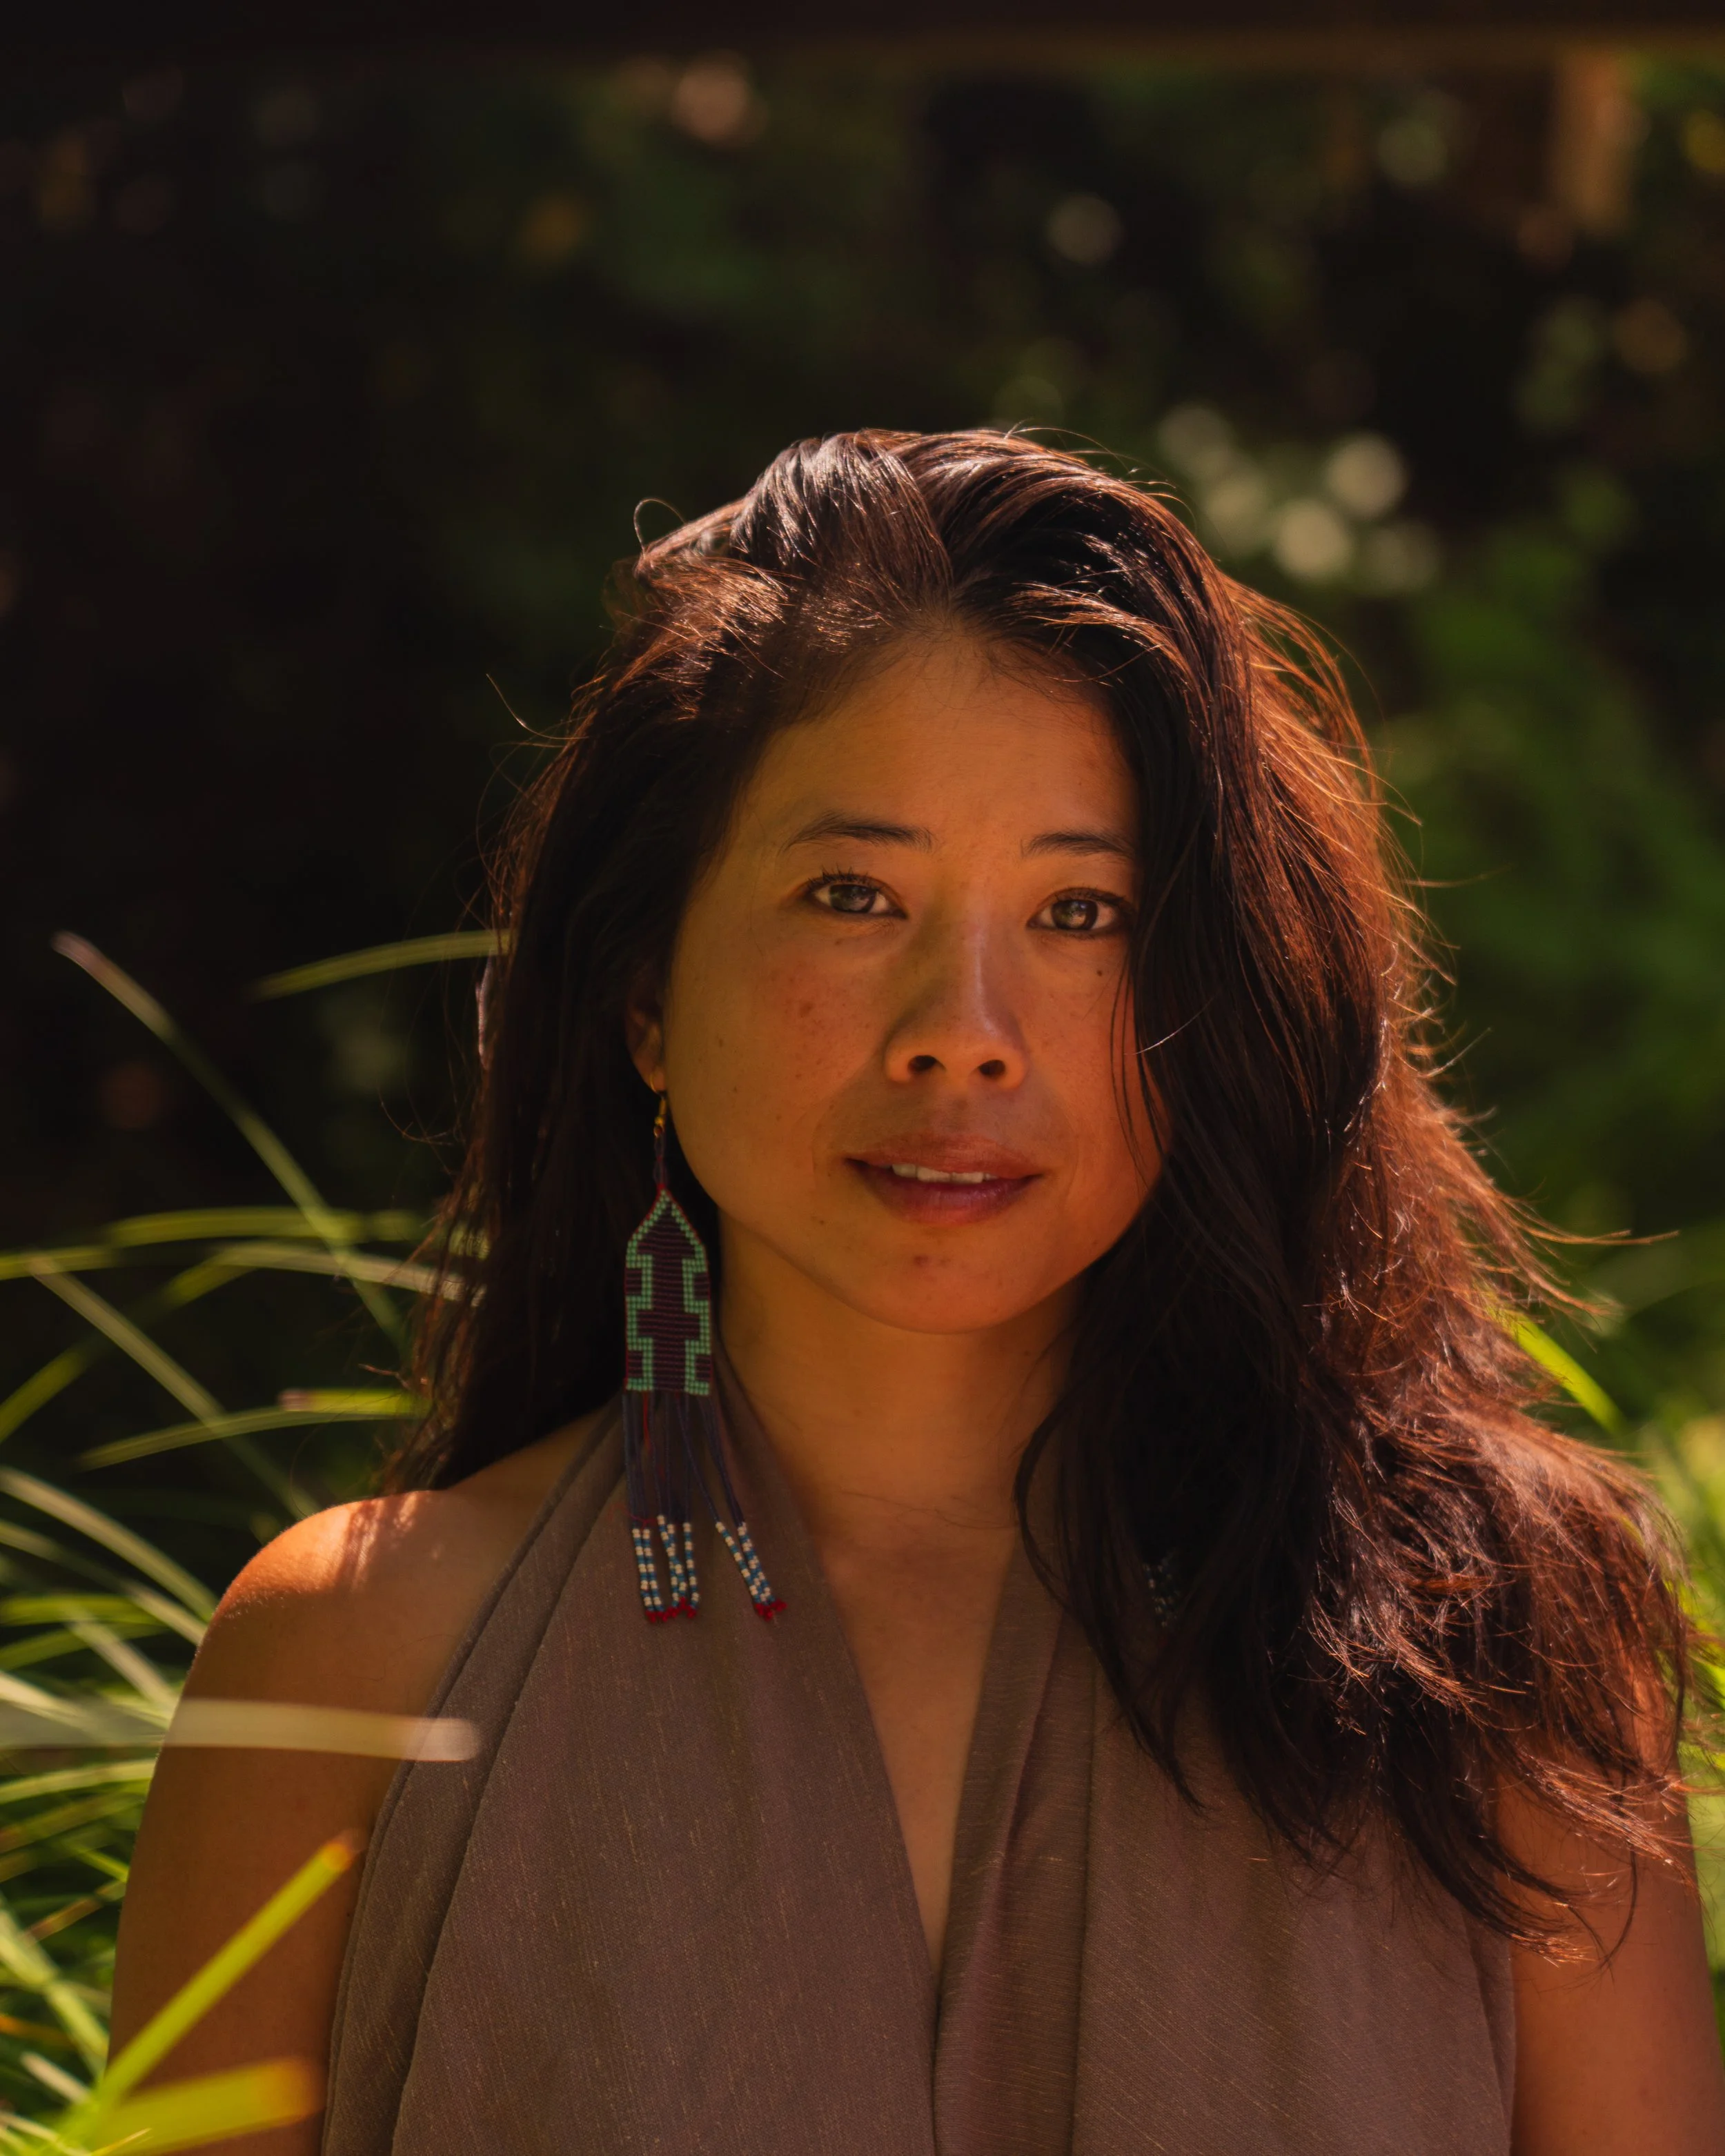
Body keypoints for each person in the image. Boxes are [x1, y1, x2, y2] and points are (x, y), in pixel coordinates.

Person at [112, 431, 1725, 2154]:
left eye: (1082, 910)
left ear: (1212, 995)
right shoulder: (355, 1662)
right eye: (851, 892)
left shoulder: (1488, 1649)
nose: (961, 1022)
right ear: (645, 992)